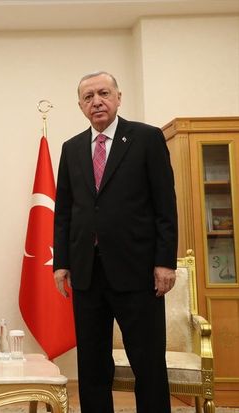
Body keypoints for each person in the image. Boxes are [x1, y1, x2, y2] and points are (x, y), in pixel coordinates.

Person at [53, 71, 178, 413]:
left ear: (118, 98)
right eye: (88, 97)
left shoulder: (147, 138)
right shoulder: (71, 148)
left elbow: (165, 205)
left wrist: (165, 262)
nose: (97, 101)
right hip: (87, 272)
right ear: (80, 105)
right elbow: (64, 210)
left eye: (104, 93)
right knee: (92, 364)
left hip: (138, 271)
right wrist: (61, 263)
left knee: (148, 362)